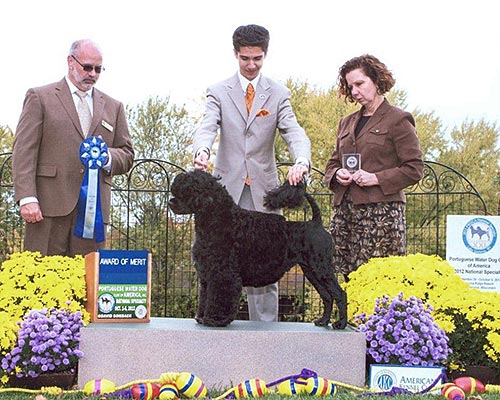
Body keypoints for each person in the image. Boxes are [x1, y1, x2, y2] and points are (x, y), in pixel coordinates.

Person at [193, 24, 311, 322]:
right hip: (225, 196)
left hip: (264, 192)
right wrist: (202, 152)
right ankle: (213, 319)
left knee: (266, 266)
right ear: (235, 53)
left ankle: (266, 332)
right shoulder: (218, 91)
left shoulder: (279, 93)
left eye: (257, 58)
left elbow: (293, 131)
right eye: (245, 58)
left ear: (265, 54)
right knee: (216, 263)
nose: (251, 64)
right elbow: (207, 125)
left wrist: (301, 161)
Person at [12, 39, 134, 257]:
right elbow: (24, 151)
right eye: (87, 67)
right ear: (70, 61)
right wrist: (27, 197)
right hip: (46, 209)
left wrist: (106, 157)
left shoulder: (114, 107)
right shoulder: (40, 97)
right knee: (41, 281)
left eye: (98, 69)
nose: (93, 74)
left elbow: (126, 153)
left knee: (88, 284)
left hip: (92, 217)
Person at [323, 54, 424, 280]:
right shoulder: (346, 122)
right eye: (350, 87)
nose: (355, 91)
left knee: (382, 281)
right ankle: (347, 317)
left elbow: (414, 168)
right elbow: (332, 164)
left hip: (382, 214)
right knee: (347, 278)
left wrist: (376, 178)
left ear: (376, 81)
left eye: (360, 84)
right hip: (346, 212)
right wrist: (337, 173)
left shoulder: (398, 119)